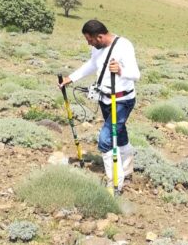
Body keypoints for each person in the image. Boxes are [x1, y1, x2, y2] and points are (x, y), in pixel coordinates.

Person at [60, 19, 139, 191]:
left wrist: (120, 71)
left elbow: (135, 74)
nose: (88, 43)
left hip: (121, 101)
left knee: (105, 140)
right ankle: (126, 170)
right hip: (105, 99)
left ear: (100, 36)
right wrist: (71, 78)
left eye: (89, 40)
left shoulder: (124, 46)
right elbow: (91, 65)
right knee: (120, 133)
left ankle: (115, 183)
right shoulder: (97, 49)